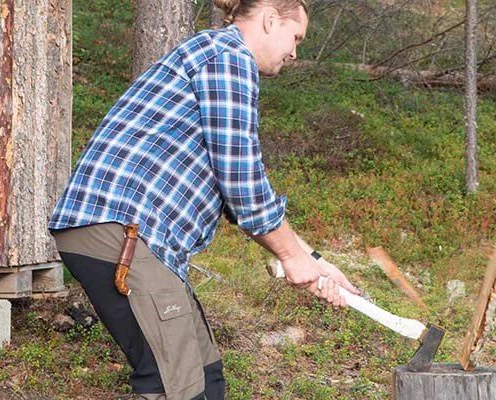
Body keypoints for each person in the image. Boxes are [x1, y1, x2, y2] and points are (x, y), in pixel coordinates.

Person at [48, 0, 359, 399]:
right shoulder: (227, 59)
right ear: (270, 20)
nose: (295, 52)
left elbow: (238, 198)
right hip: (121, 232)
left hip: (141, 240)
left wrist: (311, 261)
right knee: (176, 386)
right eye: (295, 37)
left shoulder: (215, 56)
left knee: (206, 376)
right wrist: (293, 259)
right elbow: (243, 182)